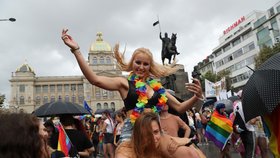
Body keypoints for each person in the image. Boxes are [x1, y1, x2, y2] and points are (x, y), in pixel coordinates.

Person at [61, 28, 203, 152]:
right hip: (132, 133)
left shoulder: (157, 88)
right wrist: (76, 50)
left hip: (156, 133)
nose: (141, 67)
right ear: (132, 63)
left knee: (190, 152)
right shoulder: (124, 83)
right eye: (138, 62)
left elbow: (179, 107)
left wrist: (196, 97)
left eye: (145, 64)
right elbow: (94, 79)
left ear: (150, 66)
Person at [115, 112, 205, 158]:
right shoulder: (126, 150)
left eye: (156, 132)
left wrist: (184, 143)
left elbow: (192, 154)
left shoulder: (162, 141)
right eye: (148, 134)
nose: (153, 138)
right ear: (138, 134)